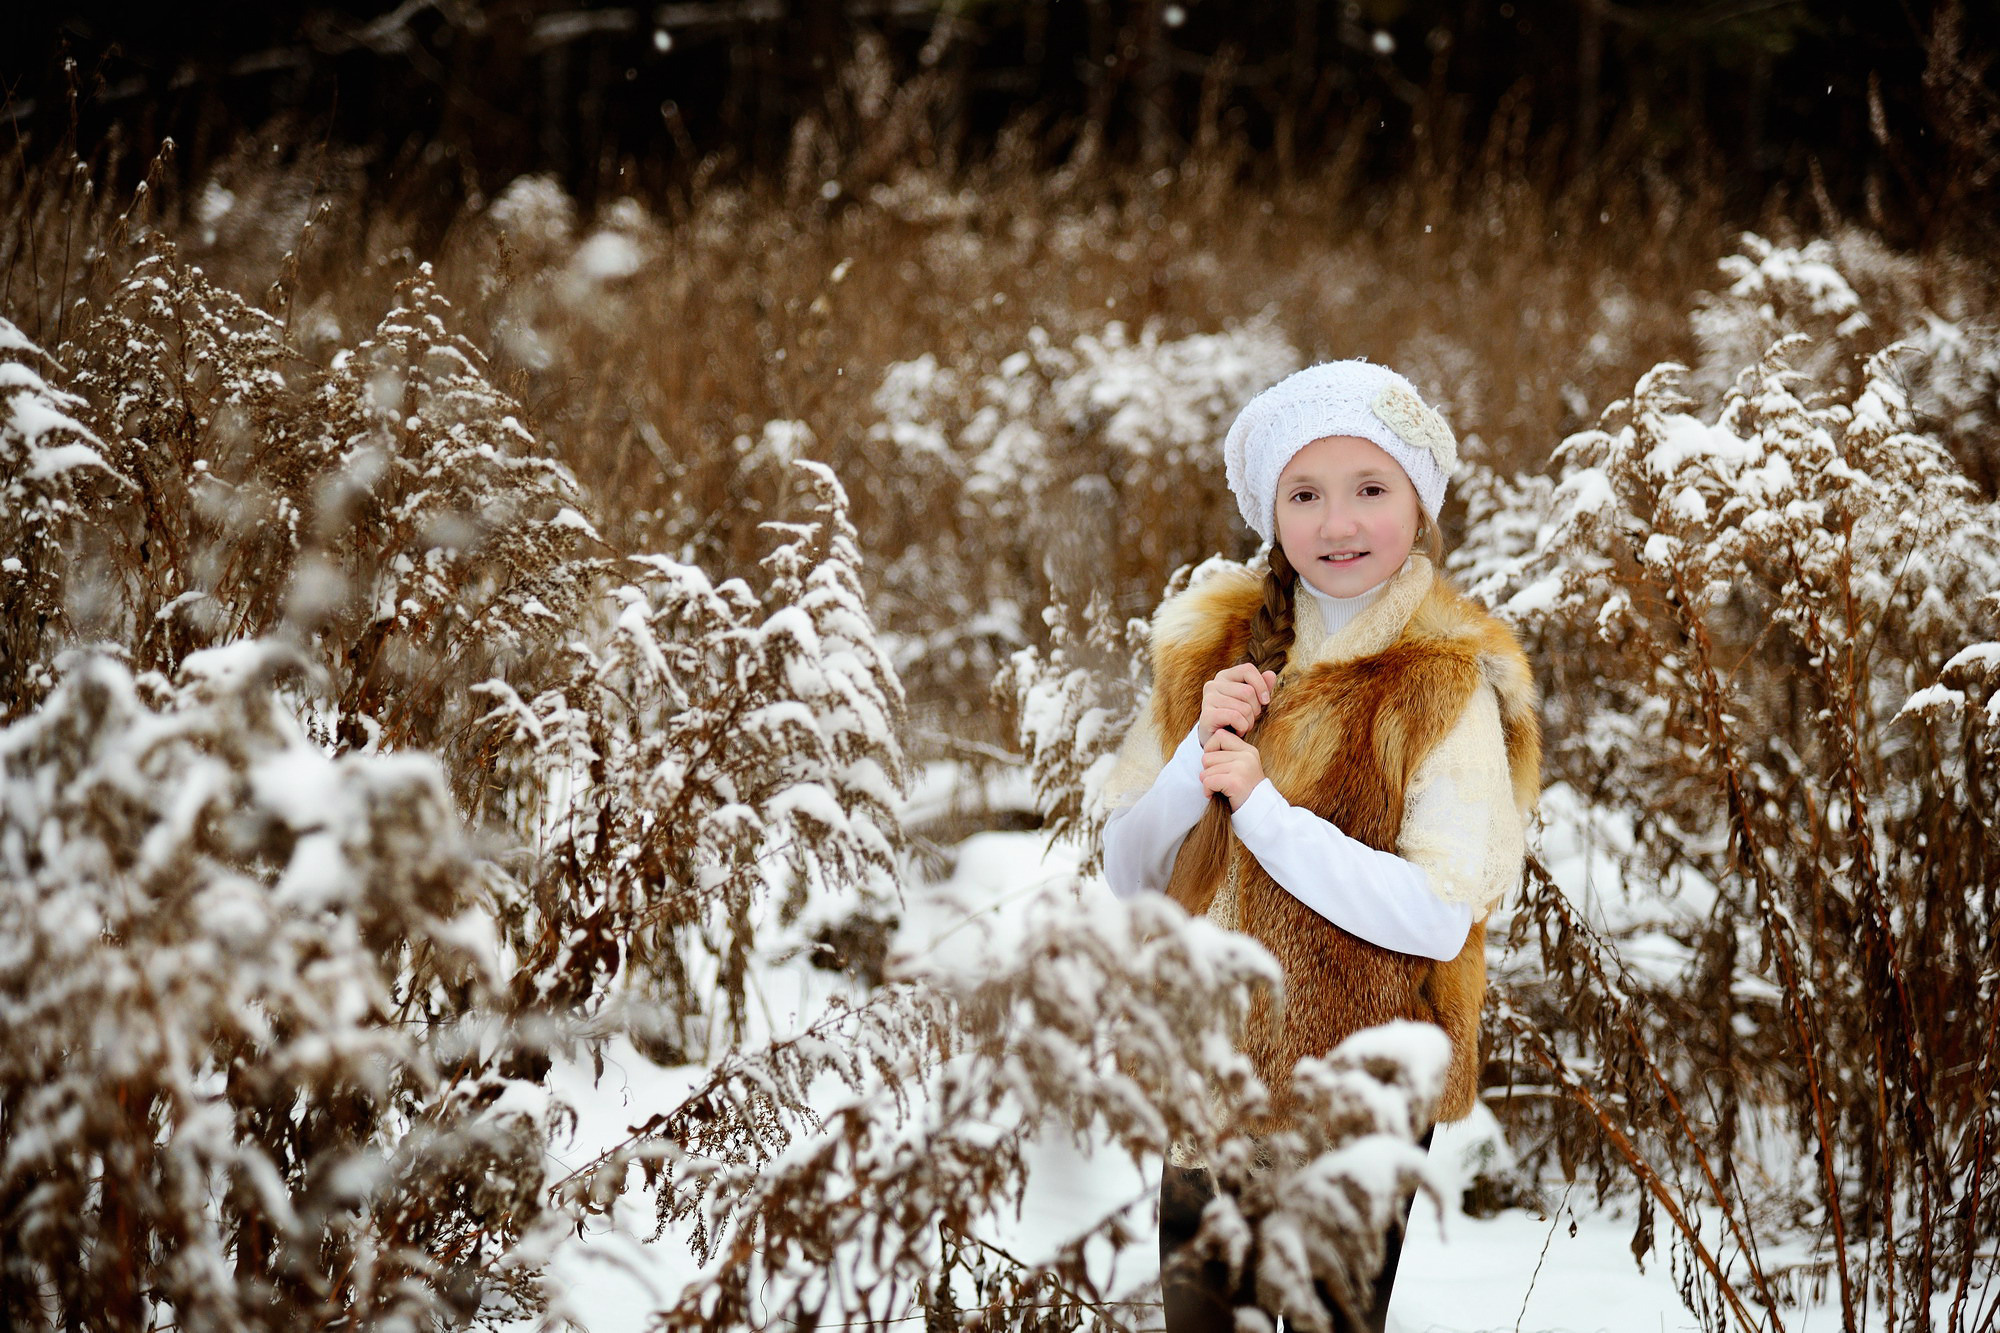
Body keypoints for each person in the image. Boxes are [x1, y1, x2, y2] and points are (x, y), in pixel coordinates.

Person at [1098, 359, 1541, 1333]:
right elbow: (1126, 869)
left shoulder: (1442, 683)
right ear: (1272, 514)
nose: (1337, 524)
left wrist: (1262, 810)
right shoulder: (1214, 650)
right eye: (1304, 494)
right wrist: (1192, 757)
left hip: (1355, 1092)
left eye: (1369, 490)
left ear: (1417, 507)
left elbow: (1437, 913)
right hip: (1207, 1075)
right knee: (1201, 1324)